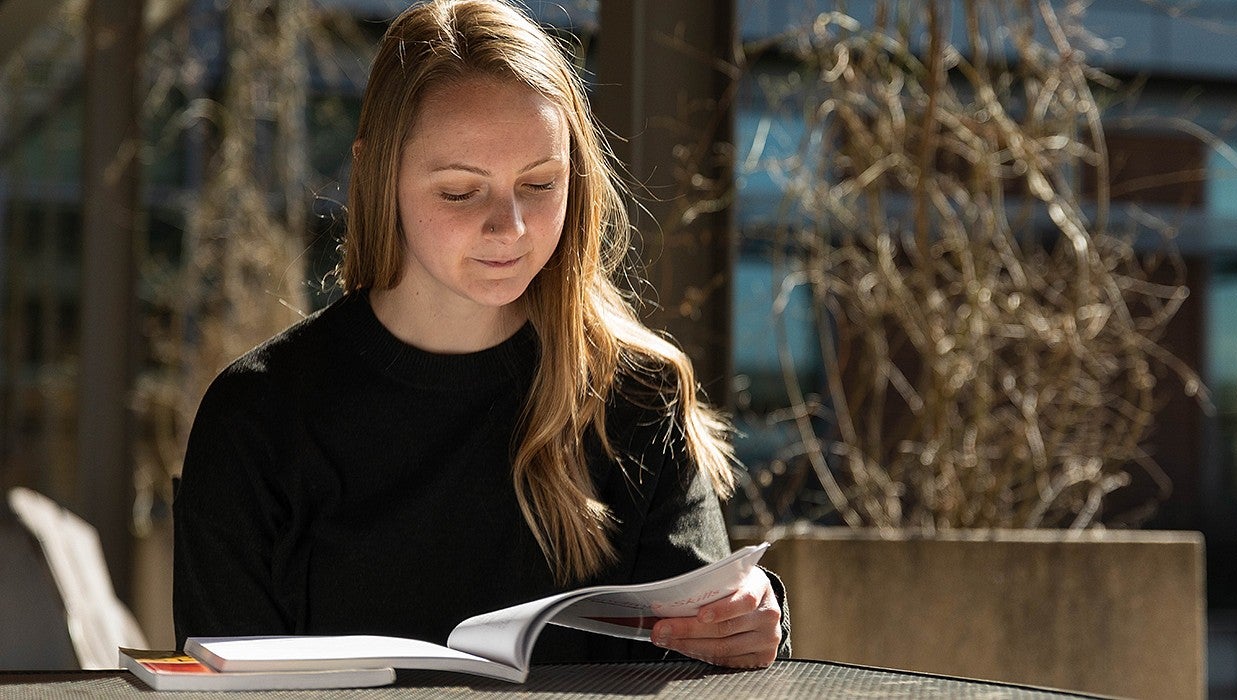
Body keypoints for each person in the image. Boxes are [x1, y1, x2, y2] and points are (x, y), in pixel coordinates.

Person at [172, 0, 788, 669]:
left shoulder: (634, 399)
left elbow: (713, 663)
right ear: (378, 173)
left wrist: (752, 626)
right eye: (461, 192)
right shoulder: (257, 419)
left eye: (540, 184)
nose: (511, 228)